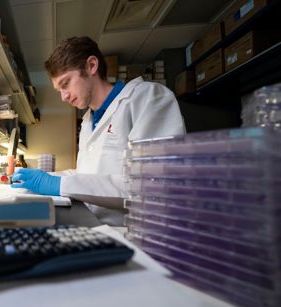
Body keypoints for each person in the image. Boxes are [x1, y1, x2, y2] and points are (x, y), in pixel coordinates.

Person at [12, 36, 185, 225]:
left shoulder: (146, 98)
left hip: (137, 234)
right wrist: (45, 177)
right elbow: (88, 174)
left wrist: (58, 184)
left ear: (91, 66)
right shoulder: (88, 120)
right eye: (59, 90)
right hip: (97, 227)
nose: (63, 97)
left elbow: (153, 184)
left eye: (65, 83)